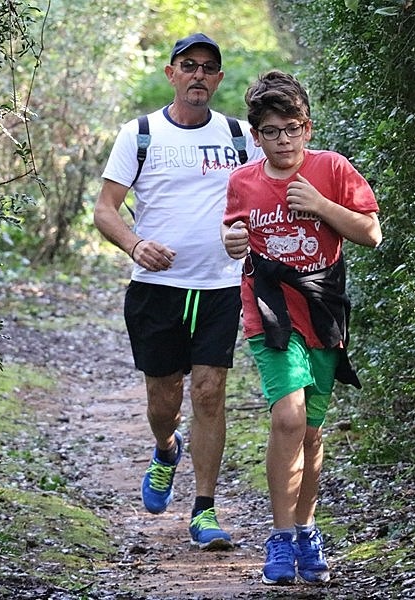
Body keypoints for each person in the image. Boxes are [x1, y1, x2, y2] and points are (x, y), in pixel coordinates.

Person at [93, 33, 264, 550]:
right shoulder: (140, 134)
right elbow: (105, 210)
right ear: (171, 73)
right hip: (157, 289)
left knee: (209, 391)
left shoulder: (240, 136)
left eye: (208, 68)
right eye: (189, 66)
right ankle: (167, 448)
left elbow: (267, 196)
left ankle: (205, 510)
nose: (198, 75)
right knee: (163, 400)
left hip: (219, 286)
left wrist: (250, 235)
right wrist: (135, 244)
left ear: (218, 79)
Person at [221, 70, 382, 584]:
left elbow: (371, 233)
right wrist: (232, 242)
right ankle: (280, 536)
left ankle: (306, 531)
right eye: (272, 131)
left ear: (306, 128)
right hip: (269, 309)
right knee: (288, 419)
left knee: (311, 431)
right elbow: (233, 235)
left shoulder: (331, 168)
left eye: (292, 129)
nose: (284, 140)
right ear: (256, 136)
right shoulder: (243, 181)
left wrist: (320, 205)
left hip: (323, 308)